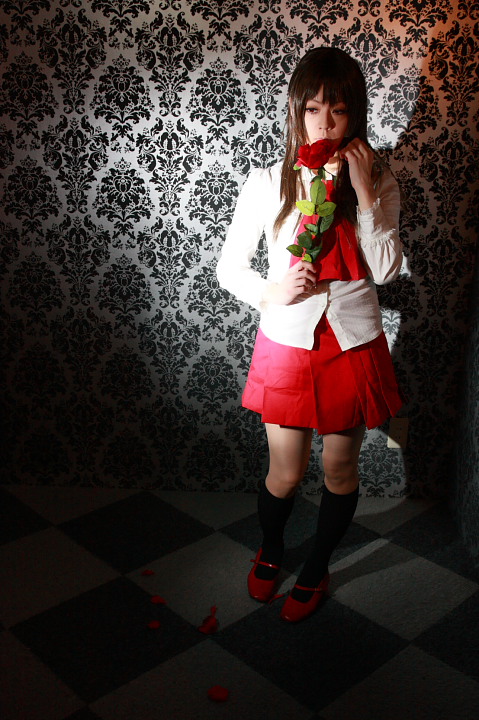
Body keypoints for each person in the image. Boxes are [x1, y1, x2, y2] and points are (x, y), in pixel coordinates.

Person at [216, 46, 404, 623]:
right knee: (285, 472)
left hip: (351, 341)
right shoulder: (267, 182)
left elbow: (386, 269)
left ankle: (317, 567)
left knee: (340, 472)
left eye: (339, 110)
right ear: (296, 110)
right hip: (288, 341)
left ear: (355, 115)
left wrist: (364, 193)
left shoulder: (380, 180)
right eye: (314, 108)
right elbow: (230, 268)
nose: (325, 123)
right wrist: (273, 291)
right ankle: (271, 551)